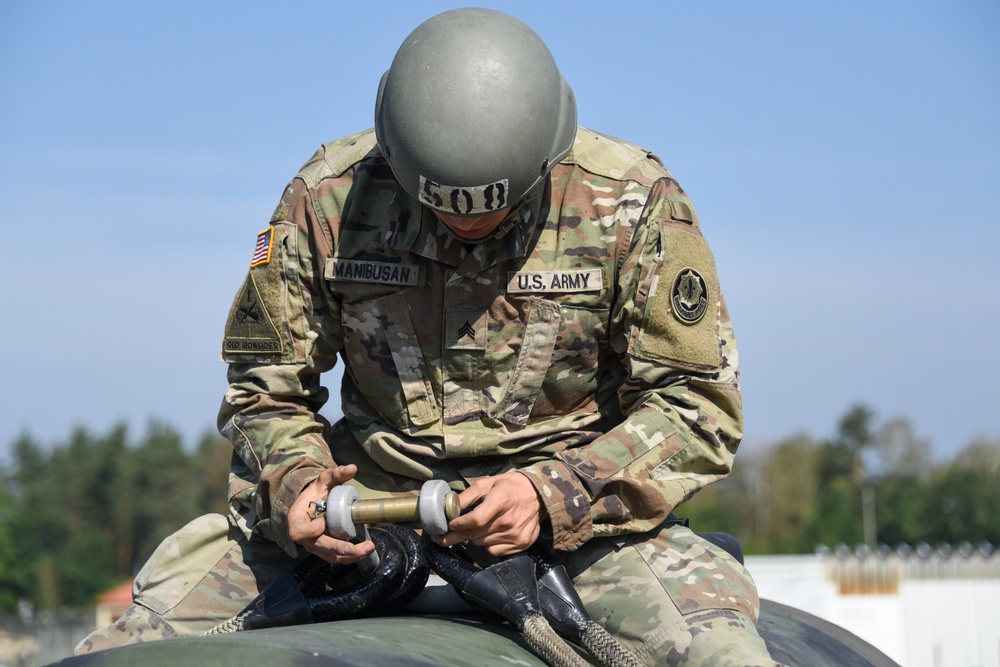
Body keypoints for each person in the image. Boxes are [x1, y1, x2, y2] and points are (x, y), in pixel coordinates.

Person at [77, 8, 777, 665]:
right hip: (365, 513)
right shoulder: (326, 200)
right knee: (134, 646)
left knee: (720, 653)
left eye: (495, 207)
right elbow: (264, 392)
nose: (466, 226)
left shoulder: (632, 204)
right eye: (439, 203)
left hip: (576, 521)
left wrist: (550, 494)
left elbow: (697, 407)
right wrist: (299, 485)